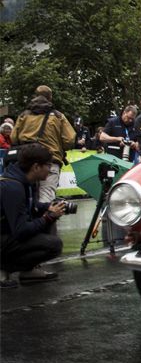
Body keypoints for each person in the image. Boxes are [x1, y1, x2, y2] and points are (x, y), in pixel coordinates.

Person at [1, 143, 65, 288]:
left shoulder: (24, 181)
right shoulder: (13, 187)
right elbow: (21, 231)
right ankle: (3, 268)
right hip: (4, 237)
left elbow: (32, 207)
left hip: (6, 233)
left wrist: (48, 207)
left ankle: (28, 270)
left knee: (47, 221)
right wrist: (48, 217)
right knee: (53, 245)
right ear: (36, 167)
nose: (50, 170)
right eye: (48, 165)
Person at [11, 86, 76, 205]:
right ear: (50, 97)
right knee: (47, 195)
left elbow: (13, 137)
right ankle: (46, 219)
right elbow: (70, 139)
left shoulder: (24, 115)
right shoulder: (58, 116)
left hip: (27, 161)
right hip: (50, 161)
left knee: (27, 197)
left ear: (35, 96)